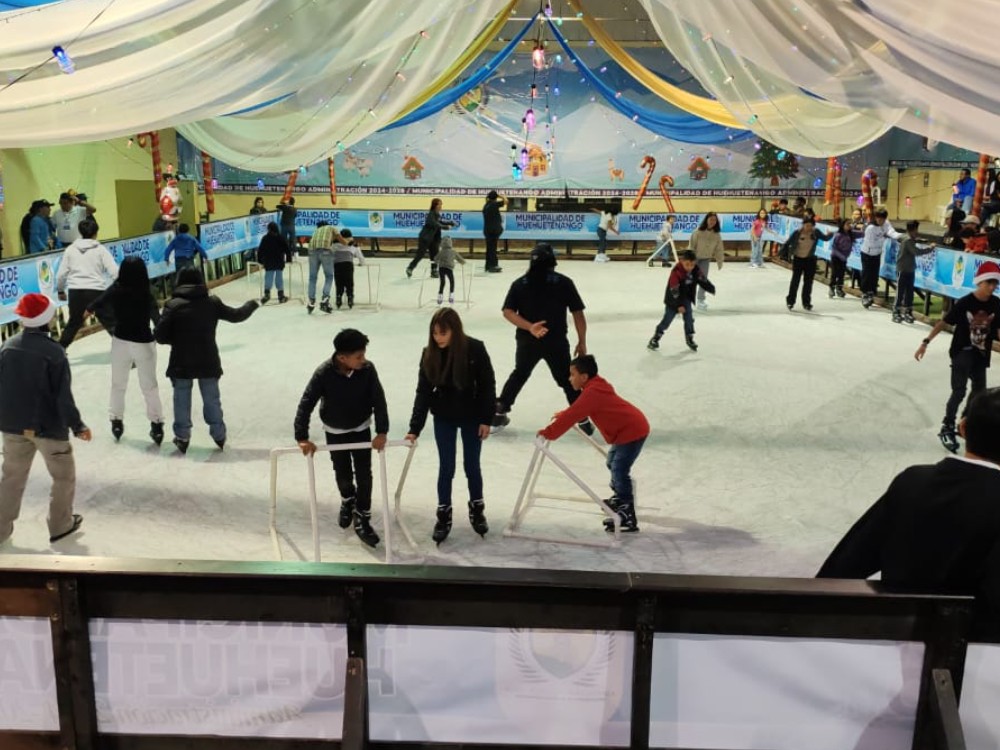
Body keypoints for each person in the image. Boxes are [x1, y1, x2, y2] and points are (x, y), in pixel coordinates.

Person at [816, 387, 1000, 614]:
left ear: (962, 428)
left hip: (895, 628)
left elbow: (848, 562)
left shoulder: (912, 482)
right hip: (977, 642)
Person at [0, 294, 90, 546]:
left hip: (13, 426)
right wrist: (78, 425)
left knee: (12, 478)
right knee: (63, 476)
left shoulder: (8, 347)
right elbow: (63, 397)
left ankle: (0, 528)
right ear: (47, 319)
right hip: (47, 428)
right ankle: (60, 525)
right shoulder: (54, 352)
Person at [404, 309, 496, 544]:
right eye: (434, 333)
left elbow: (487, 385)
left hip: (471, 415)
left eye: (442, 333)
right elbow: (423, 392)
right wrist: (415, 427)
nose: (438, 338)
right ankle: (443, 513)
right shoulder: (429, 354)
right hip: (444, 416)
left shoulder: (474, 348)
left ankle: (477, 508)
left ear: (455, 330)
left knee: (471, 465)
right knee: (447, 466)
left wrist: (486, 418)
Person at [294, 328, 388, 549]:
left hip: (361, 428)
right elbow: (306, 402)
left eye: (363, 355)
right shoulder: (323, 373)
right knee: (343, 472)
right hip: (335, 431)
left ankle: (363, 515)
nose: (363, 360)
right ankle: (348, 500)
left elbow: (379, 399)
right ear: (342, 357)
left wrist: (381, 431)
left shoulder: (367, 370)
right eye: (358, 356)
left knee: (365, 474)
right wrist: (302, 436)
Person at [538, 355, 650, 533]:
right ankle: (619, 499)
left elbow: (575, 413)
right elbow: (579, 408)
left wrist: (548, 432)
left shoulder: (593, 392)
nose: (569, 378)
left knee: (619, 470)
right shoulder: (595, 387)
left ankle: (627, 512)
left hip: (632, 431)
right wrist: (566, 412)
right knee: (612, 462)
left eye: (572, 374)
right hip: (628, 429)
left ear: (584, 376)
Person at [154, 267, 259, 454]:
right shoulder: (212, 302)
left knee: (181, 399)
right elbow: (236, 316)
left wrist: (178, 339)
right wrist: (252, 304)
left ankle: (182, 437)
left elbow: (160, 336)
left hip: (181, 361)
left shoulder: (173, 305)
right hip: (208, 359)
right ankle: (219, 435)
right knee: (212, 399)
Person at [492, 243, 592, 434]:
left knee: (520, 374)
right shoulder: (564, 283)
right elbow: (578, 313)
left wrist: (530, 327)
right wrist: (582, 341)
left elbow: (507, 311)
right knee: (566, 379)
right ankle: (583, 419)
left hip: (527, 340)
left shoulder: (520, 283)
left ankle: (498, 413)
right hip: (556, 341)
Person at [915, 261, 1000, 453]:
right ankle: (947, 425)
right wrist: (925, 342)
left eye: (995, 283)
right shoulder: (965, 302)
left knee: (979, 392)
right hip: (962, 351)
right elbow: (944, 322)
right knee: (959, 391)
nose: (992, 287)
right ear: (980, 282)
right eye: (989, 283)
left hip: (981, 353)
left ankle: (966, 421)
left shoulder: (996, 304)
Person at [85, 256, 164, 444]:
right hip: (143, 342)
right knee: (149, 386)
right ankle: (156, 424)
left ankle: (116, 420)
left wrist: (87, 310)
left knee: (118, 384)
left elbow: (98, 302)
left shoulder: (116, 289)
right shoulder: (147, 292)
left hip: (120, 341)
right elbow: (157, 319)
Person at [55, 218, 118, 348]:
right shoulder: (100, 250)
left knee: (73, 323)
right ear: (96, 233)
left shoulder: (71, 249)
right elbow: (114, 272)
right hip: (97, 291)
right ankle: (127, 353)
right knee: (111, 323)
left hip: (76, 291)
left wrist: (60, 290)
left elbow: (61, 274)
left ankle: (59, 350)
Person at [647, 249, 715, 353]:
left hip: (686, 298)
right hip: (673, 300)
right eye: (687, 264)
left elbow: (702, 279)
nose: (690, 268)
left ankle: (690, 338)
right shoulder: (676, 271)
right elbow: (674, 290)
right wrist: (678, 305)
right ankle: (656, 338)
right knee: (667, 320)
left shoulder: (695, 270)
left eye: (692, 265)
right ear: (682, 261)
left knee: (689, 319)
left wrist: (710, 288)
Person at [780, 217, 833, 311]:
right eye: (806, 225)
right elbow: (787, 243)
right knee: (795, 281)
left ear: (813, 226)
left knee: (808, 282)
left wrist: (830, 234)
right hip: (798, 259)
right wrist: (782, 254)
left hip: (810, 260)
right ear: (803, 225)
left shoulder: (816, 232)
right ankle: (790, 301)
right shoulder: (797, 233)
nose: (808, 227)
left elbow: (825, 238)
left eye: (810, 226)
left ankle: (806, 303)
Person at [892, 220, 935, 324]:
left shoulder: (908, 238)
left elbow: (913, 241)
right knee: (900, 291)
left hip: (910, 269)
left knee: (909, 292)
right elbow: (916, 252)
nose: (917, 232)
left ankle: (907, 312)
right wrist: (930, 248)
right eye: (916, 230)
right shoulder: (907, 241)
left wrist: (920, 240)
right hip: (903, 269)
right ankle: (896, 312)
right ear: (914, 229)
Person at [859, 209, 901, 308]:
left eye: (882, 219)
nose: (881, 221)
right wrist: (884, 237)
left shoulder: (886, 223)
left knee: (874, 274)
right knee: (867, 273)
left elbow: (891, 231)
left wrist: (901, 236)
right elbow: (872, 242)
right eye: (879, 219)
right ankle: (865, 293)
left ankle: (871, 292)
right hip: (867, 253)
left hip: (877, 253)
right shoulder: (870, 228)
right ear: (875, 218)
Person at [406, 198, 455, 279]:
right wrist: (446, 227)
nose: (441, 206)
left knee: (435, 256)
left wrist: (450, 222)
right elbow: (435, 224)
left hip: (434, 239)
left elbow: (440, 222)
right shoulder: (430, 214)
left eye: (441, 204)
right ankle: (410, 268)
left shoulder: (437, 214)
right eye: (439, 204)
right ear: (435, 205)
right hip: (425, 238)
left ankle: (434, 271)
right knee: (420, 255)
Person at [689, 212, 724, 311]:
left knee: (703, 280)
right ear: (706, 220)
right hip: (695, 258)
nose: (712, 221)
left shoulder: (716, 235)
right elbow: (691, 245)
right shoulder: (698, 232)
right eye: (711, 219)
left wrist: (720, 260)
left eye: (714, 220)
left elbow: (719, 249)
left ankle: (700, 300)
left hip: (706, 259)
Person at [256, 221, 292, 305]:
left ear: (269, 229)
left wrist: (260, 260)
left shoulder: (265, 238)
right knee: (279, 278)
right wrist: (289, 259)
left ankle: (267, 294)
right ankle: (281, 295)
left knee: (268, 277)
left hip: (269, 262)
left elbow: (260, 250)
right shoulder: (280, 237)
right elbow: (287, 249)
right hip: (279, 261)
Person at [307, 221, 338, 314]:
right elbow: (338, 237)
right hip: (325, 251)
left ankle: (311, 301)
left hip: (312, 252)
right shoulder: (330, 227)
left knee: (312, 278)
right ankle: (325, 299)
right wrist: (347, 243)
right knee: (329, 276)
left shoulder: (315, 232)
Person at [333, 228, 365, 309]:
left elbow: (331, 254)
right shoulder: (354, 245)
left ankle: (338, 298)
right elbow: (361, 257)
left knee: (339, 283)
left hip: (337, 265)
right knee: (349, 282)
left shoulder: (334, 244)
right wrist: (361, 264)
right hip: (348, 265)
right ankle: (350, 298)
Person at [829, 219, 855, 299]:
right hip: (836, 256)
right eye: (847, 224)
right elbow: (834, 248)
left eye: (850, 224)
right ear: (843, 225)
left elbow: (862, 234)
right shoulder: (838, 235)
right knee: (834, 273)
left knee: (841, 273)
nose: (849, 226)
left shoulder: (851, 234)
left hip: (844, 257)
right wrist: (842, 256)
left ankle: (839, 288)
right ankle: (832, 288)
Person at [435, 235, 465, 305]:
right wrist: (463, 262)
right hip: (449, 269)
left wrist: (437, 262)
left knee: (442, 282)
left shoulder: (441, 252)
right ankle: (451, 295)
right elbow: (460, 259)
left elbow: (436, 259)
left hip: (441, 268)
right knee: (452, 282)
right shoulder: (453, 252)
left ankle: (440, 296)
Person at [482, 190, 505, 273]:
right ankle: (493, 265)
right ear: (495, 198)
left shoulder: (486, 205)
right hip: (493, 230)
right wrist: (501, 196)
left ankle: (487, 266)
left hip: (487, 230)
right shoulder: (494, 204)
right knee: (492, 248)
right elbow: (506, 201)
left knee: (489, 248)